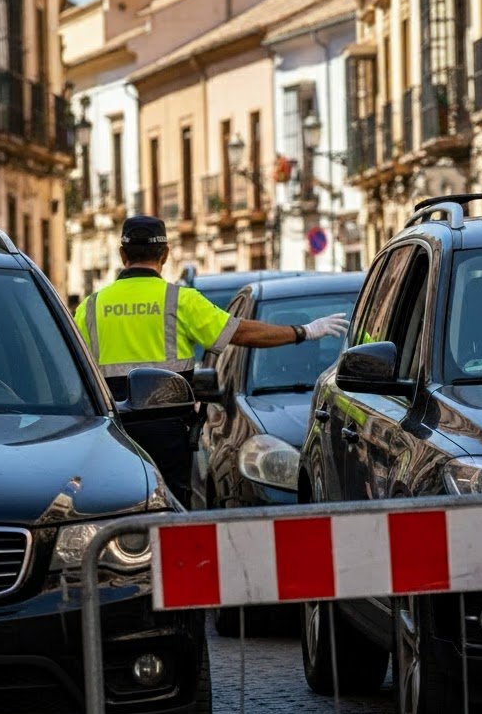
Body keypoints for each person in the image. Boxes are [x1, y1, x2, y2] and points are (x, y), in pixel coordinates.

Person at [74, 215, 348, 505]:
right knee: (171, 502)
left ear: (122, 254)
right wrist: (303, 331)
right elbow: (240, 331)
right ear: (165, 254)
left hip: (114, 431)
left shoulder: (90, 307)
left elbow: (71, 369)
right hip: (169, 430)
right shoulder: (179, 300)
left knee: (118, 503)